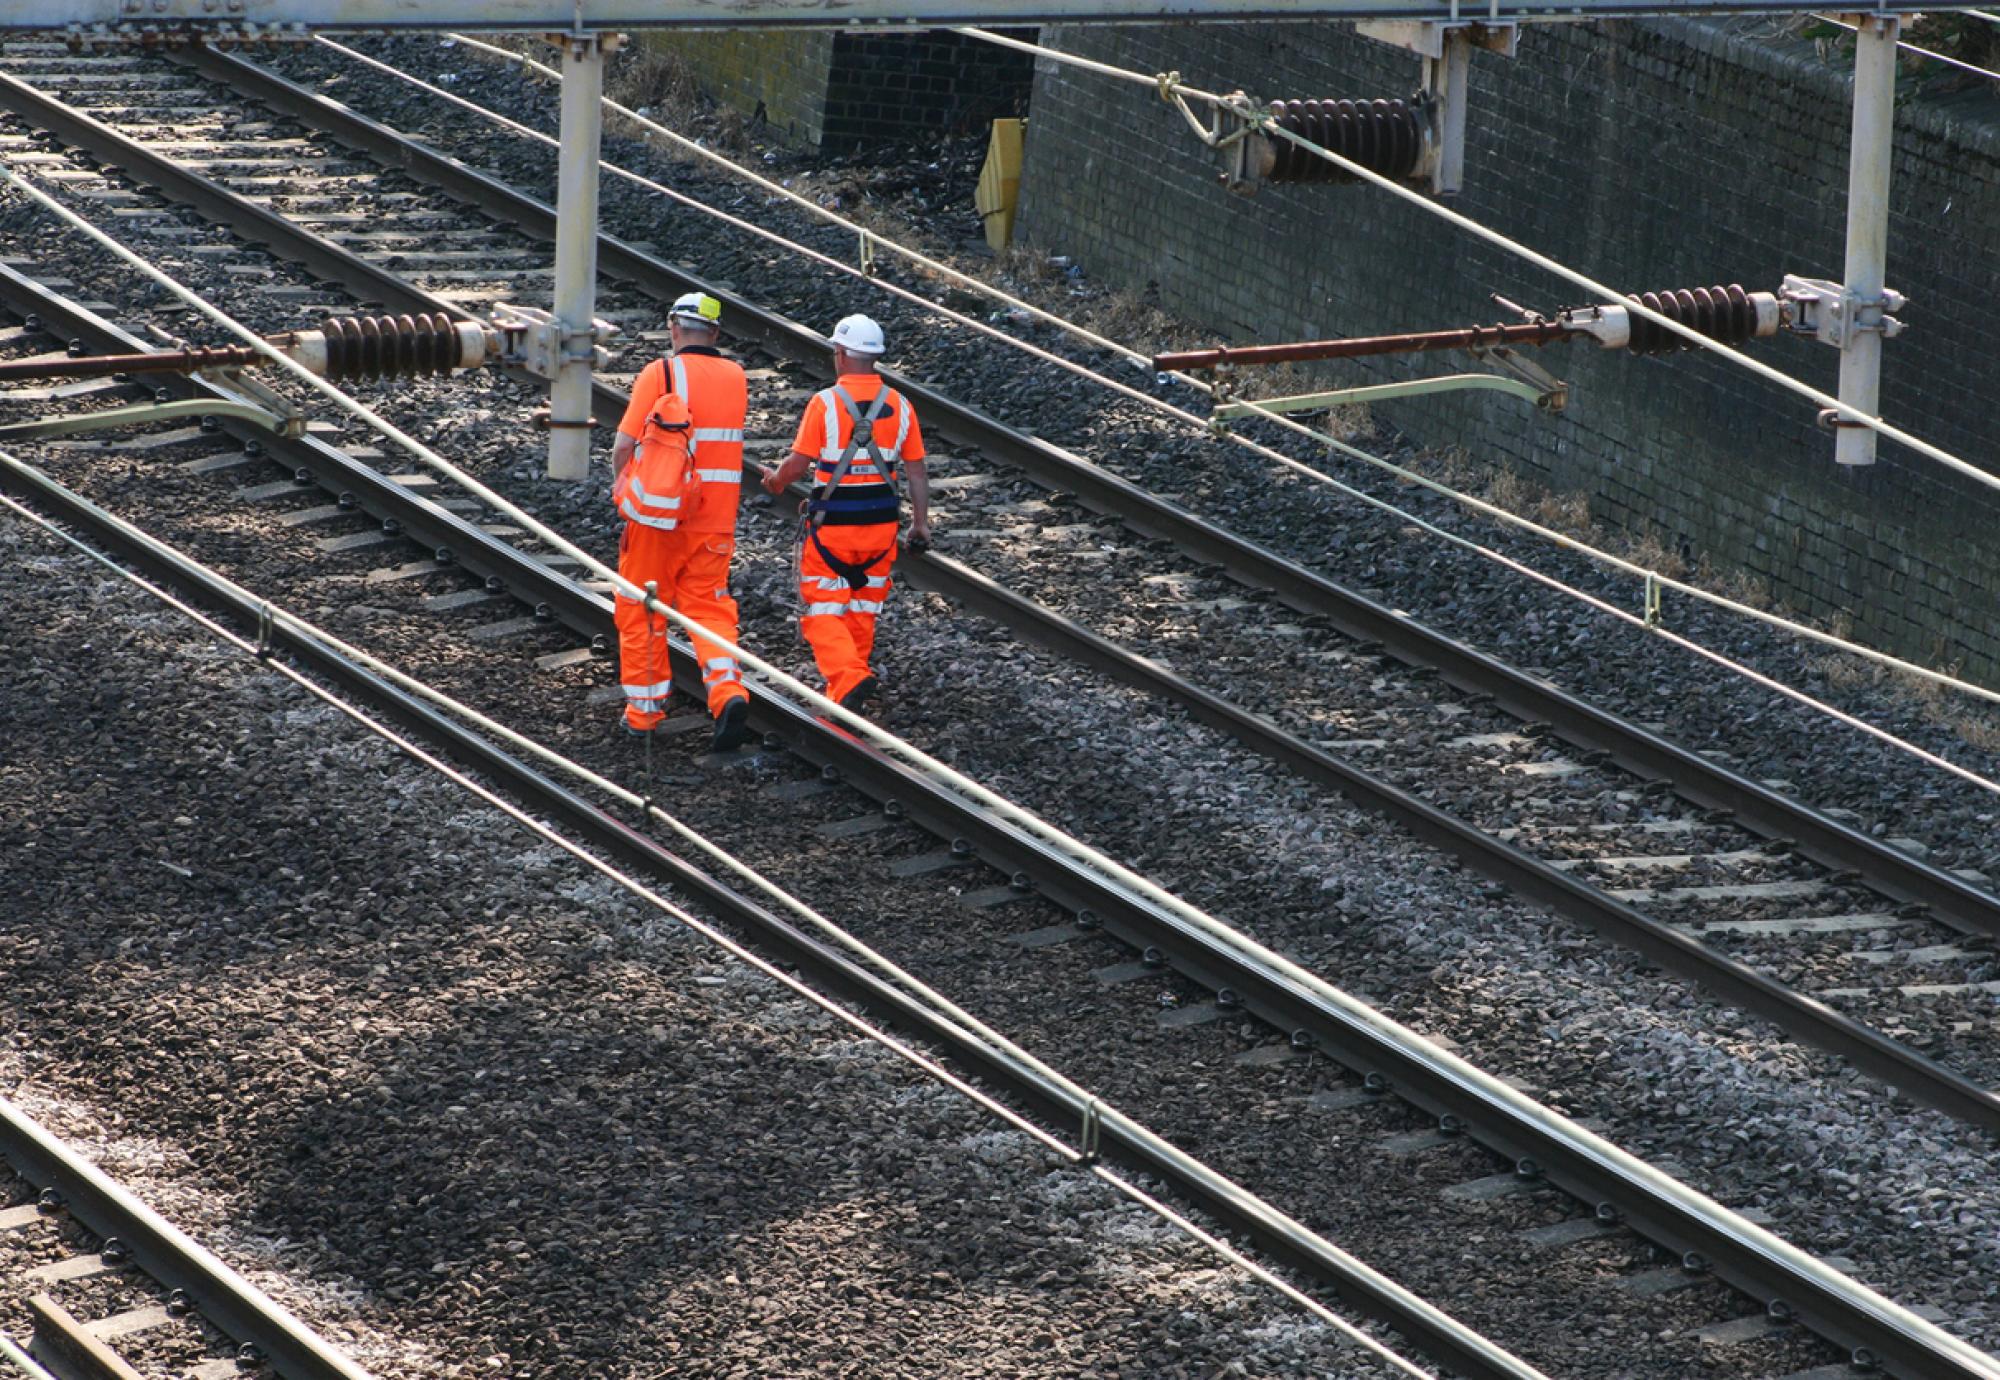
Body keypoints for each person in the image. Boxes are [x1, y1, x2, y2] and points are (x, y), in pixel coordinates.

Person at [760, 313, 931, 712]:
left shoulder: (825, 404)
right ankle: (845, 693)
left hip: (833, 528)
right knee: (863, 608)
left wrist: (776, 482)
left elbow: (799, 464)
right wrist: (920, 524)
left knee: (822, 611)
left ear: (839, 354)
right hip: (881, 530)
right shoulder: (902, 406)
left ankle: (850, 677)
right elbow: (917, 470)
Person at [611, 291, 753, 752]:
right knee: (710, 608)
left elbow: (623, 445)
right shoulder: (736, 377)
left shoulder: (661, 372)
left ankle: (644, 714)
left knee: (642, 609)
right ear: (714, 332)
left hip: (659, 518)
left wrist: (622, 489)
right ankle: (728, 692)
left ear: (674, 327)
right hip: (715, 522)